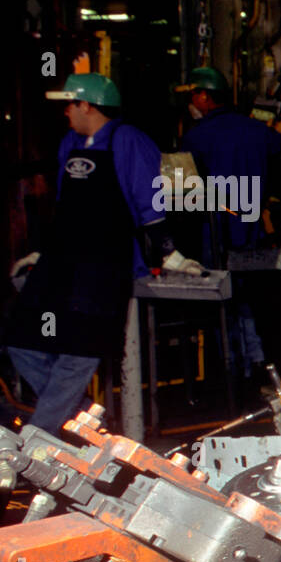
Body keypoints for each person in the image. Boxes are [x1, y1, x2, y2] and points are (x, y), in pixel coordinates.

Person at [3, 74, 173, 433]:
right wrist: (43, 253)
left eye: (69, 104)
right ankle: (81, 415)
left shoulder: (129, 141)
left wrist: (168, 253)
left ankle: (37, 441)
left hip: (102, 269)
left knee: (77, 354)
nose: (65, 112)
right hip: (62, 264)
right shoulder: (70, 143)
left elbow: (150, 203)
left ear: (87, 105)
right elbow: (66, 206)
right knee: (22, 340)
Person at [178, 66, 281, 381]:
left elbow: (183, 190)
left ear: (205, 96)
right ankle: (257, 360)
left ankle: (231, 368)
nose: (192, 102)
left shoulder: (196, 136)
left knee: (221, 301)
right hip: (254, 227)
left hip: (216, 230)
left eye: (194, 95)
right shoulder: (258, 130)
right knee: (247, 299)